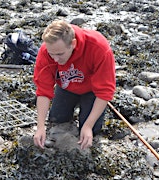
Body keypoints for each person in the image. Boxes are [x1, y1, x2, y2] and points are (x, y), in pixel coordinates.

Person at [33, 20, 116, 150]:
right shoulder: (46, 51)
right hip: (66, 86)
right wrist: (40, 126)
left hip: (92, 90)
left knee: (92, 129)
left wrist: (88, 126)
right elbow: (43, 91)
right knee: (57, 120)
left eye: (60, 54)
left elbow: (105, 92)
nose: (55, 59)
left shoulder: (98, 47)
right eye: (51, 54)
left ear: (73, 44)